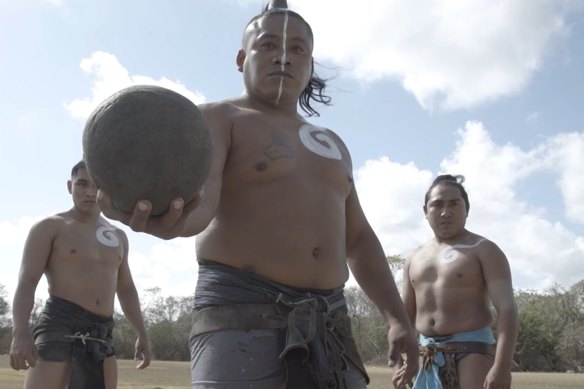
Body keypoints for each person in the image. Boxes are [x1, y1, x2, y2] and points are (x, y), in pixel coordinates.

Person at [98, 1, 418, 388]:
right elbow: (203, 204)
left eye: (297, 49)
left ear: (310, 65)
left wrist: (398, 317)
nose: (283, 56)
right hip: (240, 312)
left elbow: (360, 237)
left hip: (329, 319)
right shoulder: (217, 119)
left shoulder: (332, 142)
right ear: (240, 58)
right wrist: (171, 221)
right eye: (267, 45)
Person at [10, 160, 151, 389]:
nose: (90, 192)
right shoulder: (50, 227)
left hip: (101, 334)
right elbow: (26, 282)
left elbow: (126, 289)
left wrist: (142, 334)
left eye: (97, 186)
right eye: (82, 184)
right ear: (69, 186)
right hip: (60, 326)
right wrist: (20, 332)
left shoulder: (118, 236)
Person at [394, 174, 518, 389]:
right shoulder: (414, 258)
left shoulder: (484, 250)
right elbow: (403, 318)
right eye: (437, 205)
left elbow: (507, 309)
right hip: (427, 354)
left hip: (473, 352)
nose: (445, 212)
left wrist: (502, 367)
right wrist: (399, 362)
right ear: (425, 211)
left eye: (454, 204)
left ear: (466, 209)